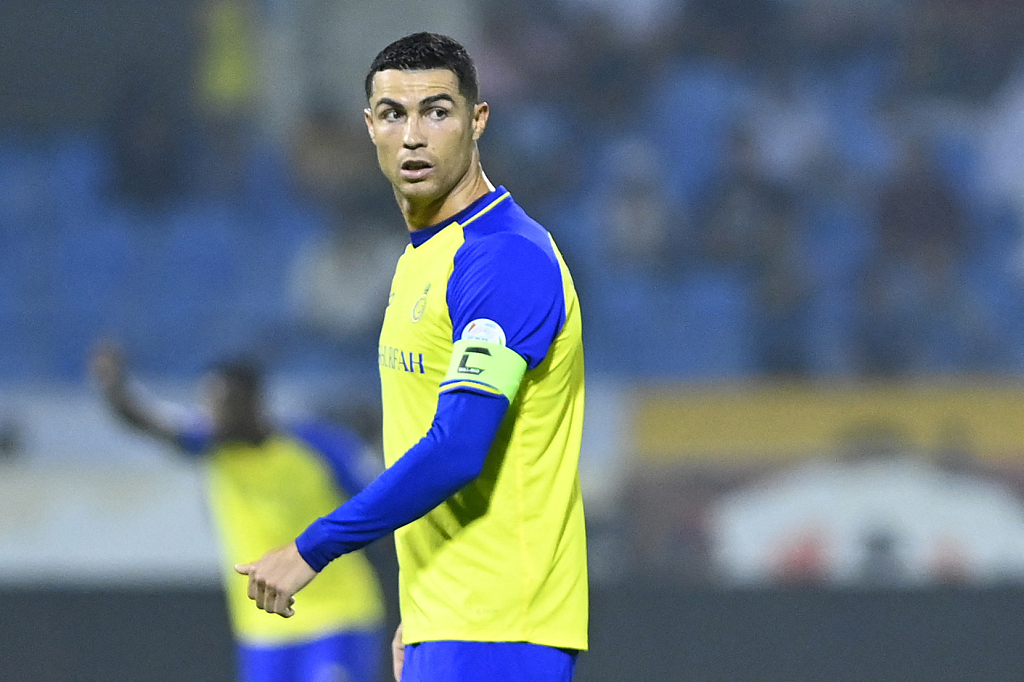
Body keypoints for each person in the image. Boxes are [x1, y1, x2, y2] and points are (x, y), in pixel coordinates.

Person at [234, 32, 588, 682]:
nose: (415, 135)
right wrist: (422, 614)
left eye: (438, 110)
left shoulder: (503, 260)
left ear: (477, 120)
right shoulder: (422, 258)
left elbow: (458, 446)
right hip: (447, 625)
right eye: (395, 114)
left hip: (499, 630)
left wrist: (313, 549)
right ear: (370, 128)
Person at [91, 344, 386, 682]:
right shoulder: (211, 447)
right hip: (263, 628)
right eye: (207, 403)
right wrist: (113, 385)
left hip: (337, 616)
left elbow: (378, 503)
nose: (211, 413)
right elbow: (144, 420)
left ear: (252, 401)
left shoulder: (314, 446)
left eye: (222, 403)